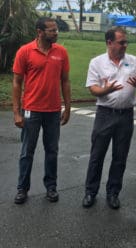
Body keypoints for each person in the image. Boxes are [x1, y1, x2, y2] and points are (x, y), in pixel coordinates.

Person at [82, 27, 136, 209]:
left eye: (126, 42)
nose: (125, 45)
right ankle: (90, 192)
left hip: (126, 116)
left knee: (120, 156)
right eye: (121, 42)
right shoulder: (97, 62)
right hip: (105, 114)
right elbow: (93, 88)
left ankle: (113, 193)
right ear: (109, 43)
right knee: (97, 155)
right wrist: (107, 90)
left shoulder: (133, 61)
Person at [12, 17, 71, 204]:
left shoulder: (61, 52)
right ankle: (22, 188)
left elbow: (65, 81)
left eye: (56, 30)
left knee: (52, 151)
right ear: (40, 32)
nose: (56, 33)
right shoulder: (25, 51)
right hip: (31, 110)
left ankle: (51, 187)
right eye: (52, 30)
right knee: (26, 152)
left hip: (53, 111)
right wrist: (16, 112)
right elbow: (16, 82)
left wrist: (67, 108)